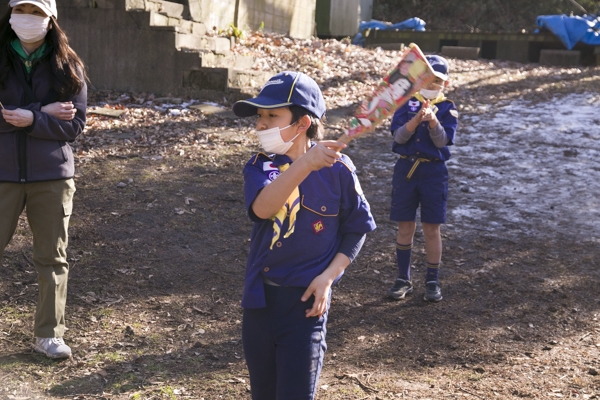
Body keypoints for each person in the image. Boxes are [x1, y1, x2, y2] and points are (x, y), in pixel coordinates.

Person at [232, 71, 376, 400]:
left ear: (302, 123)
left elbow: (356, 229)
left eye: (272, 115)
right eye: (259, 116)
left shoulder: (340, 170)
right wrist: (305, 165)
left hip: (306, 309)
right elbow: (262, 210)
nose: (260, 124)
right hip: (260, 305)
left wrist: (328, 278)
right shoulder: (259, 166)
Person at [0, 0, 87, 358]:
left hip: (51, 176)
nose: (28, 19)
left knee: (52, 257)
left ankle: (49, 334)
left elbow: (75, 125)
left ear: (50, 19)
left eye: (36, 13)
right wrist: (40, 111)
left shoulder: (69, 65)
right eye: (22, 10)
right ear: (10, 14)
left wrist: (29, 119)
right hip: (2, 174)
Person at [386, 55, 458, 302]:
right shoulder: (405, 104)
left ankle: (432, 279)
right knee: (405, 226)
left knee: (431, 227)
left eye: (437, 80)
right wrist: (416, 119)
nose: (431, 84)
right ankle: (403, 278)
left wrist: (433, 120)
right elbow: (399, 138)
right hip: (405, 171)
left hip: (434, 174)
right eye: (427, 79)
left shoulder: (448, 107)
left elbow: (442, 141)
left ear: (445, 84)